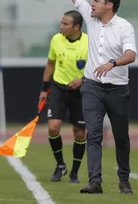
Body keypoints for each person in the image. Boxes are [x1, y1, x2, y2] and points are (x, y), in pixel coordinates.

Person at [65, 0, 137, 194]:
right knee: (93, 134)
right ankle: (95, 182)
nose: (91, 4)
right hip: (92, 87)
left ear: (109, 5)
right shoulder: (91, 17)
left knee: (121, 137)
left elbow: (131, 55)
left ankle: (124, 179)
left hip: (117, 88)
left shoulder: (125, 27)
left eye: (96, 1)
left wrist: (112, 63)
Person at [39, 10, 88, 183]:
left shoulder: (90, 43)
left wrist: (82, 80)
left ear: (77, 27)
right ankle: (60, 165)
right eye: (61, 23)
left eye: (65, 24)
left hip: (81, 93)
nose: (61, 27)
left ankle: (74, 172)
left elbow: (97, 69)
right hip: (59, 89)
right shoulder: (56, 39)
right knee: (53, 128)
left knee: (80, 133)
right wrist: (44, 89)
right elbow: (50, 64)